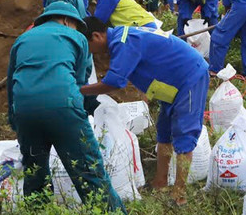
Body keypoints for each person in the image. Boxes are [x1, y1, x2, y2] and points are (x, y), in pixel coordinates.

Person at [7, 2, 124, 211]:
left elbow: (11, 81)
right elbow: (79, 82)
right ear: (67, 20)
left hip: (25, 111)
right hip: (63, 107)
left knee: (35, 171)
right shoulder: (77, 37)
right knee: (88, 168)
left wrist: (14, 118)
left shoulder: (22, 39)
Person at [80, 18, 210, 205]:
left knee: (184, 134)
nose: (90, 52)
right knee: (164, 132)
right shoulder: (122, 36)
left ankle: (179, 194)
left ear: (96, 36)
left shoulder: (123, 42)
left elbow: (115, 82)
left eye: (88, 45)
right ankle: (160, 182)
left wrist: (81, 90)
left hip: (189, 77)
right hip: (170, 85)